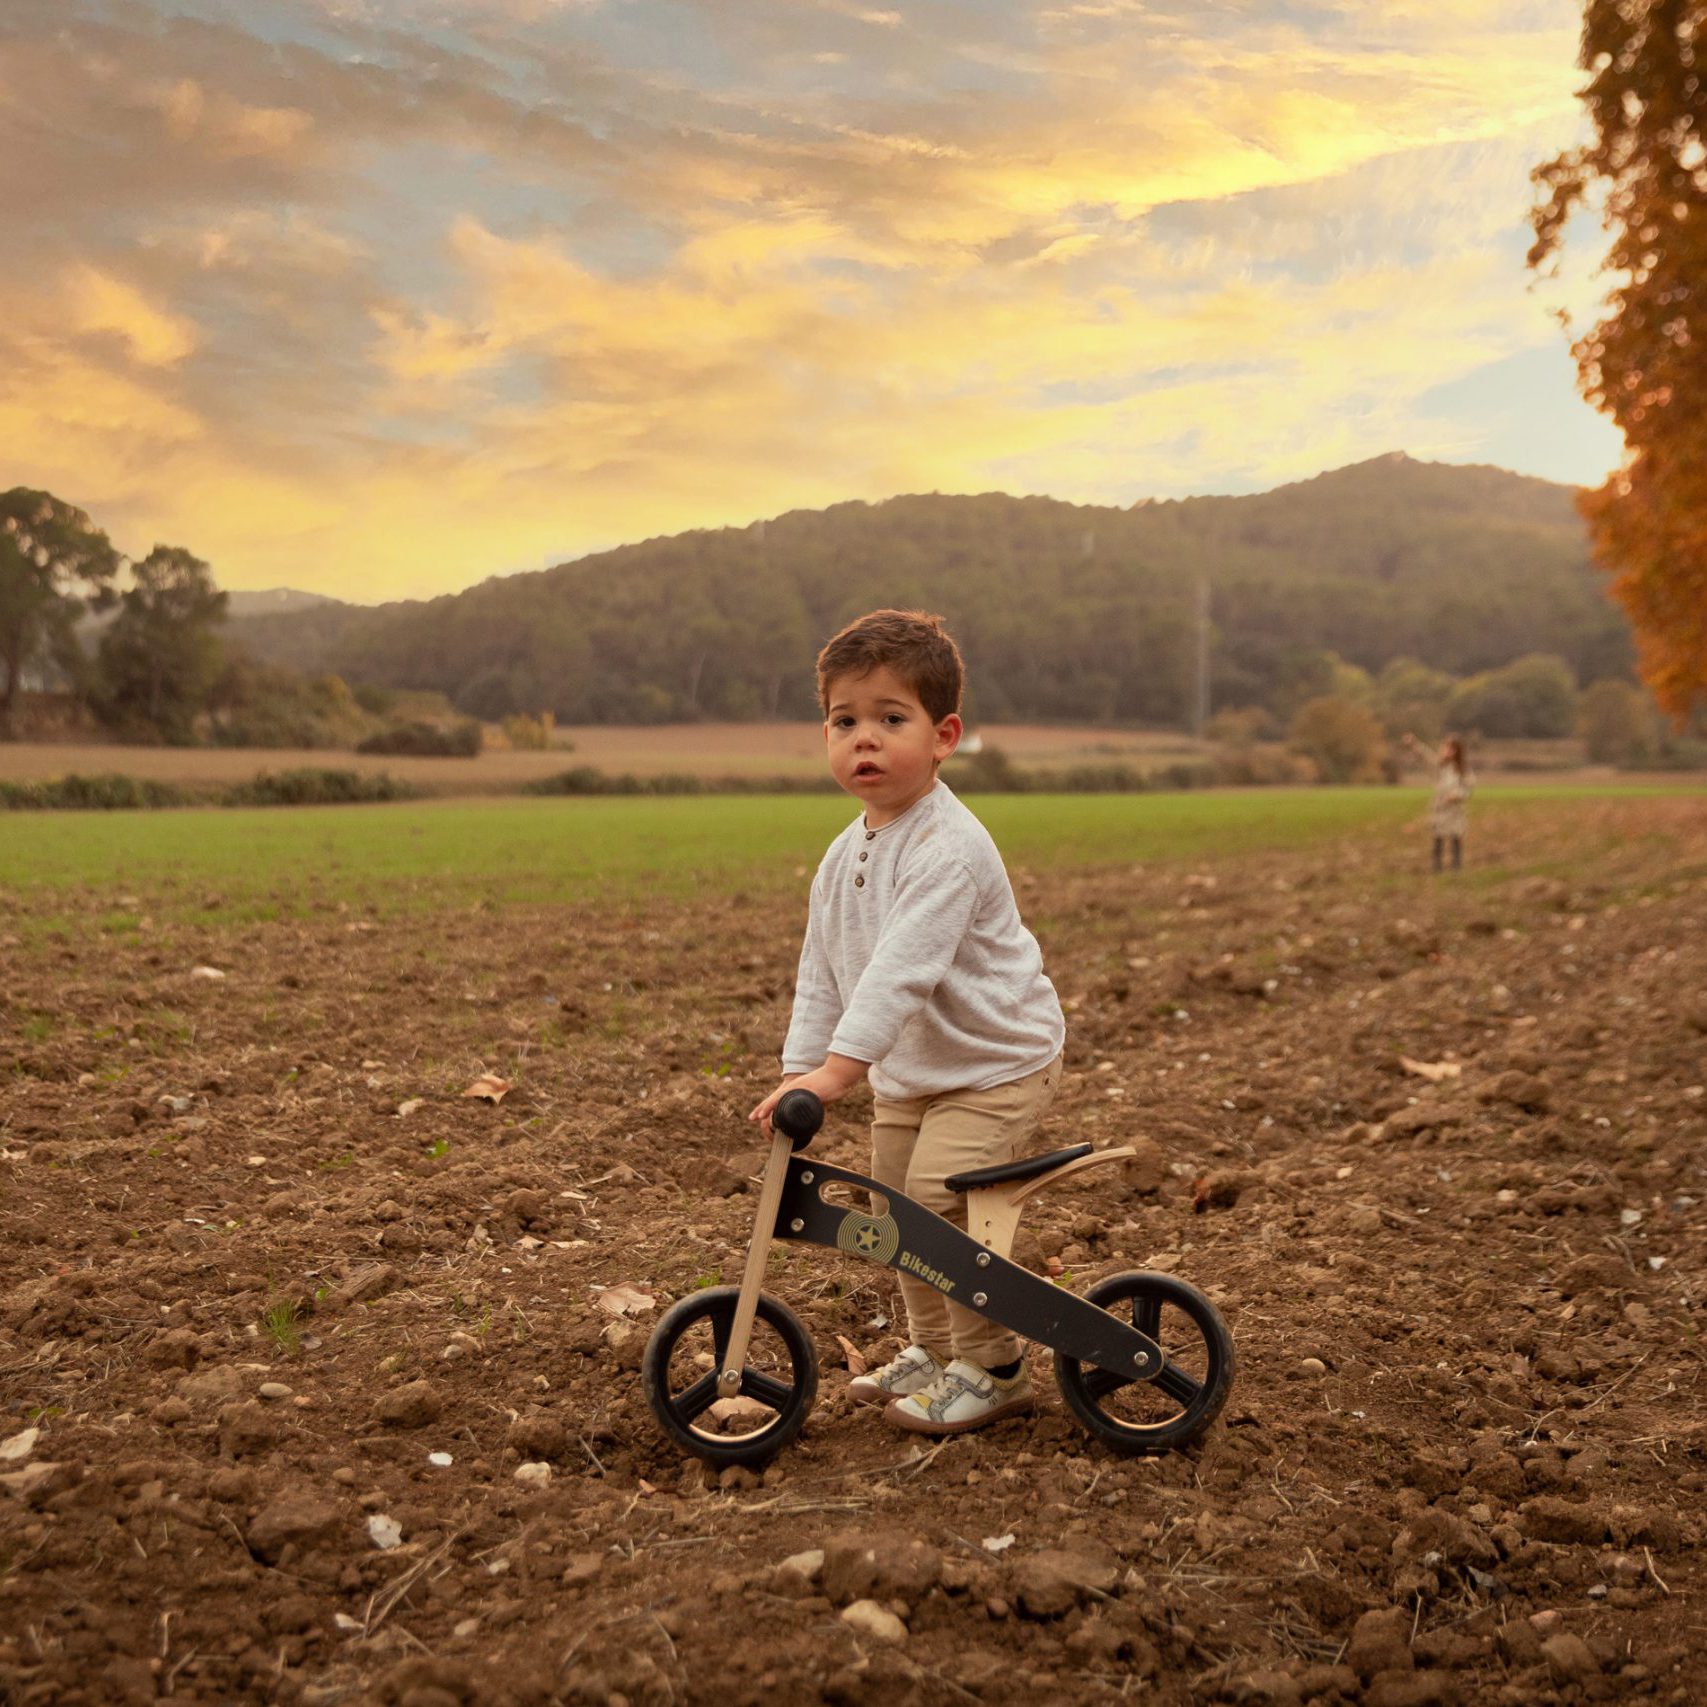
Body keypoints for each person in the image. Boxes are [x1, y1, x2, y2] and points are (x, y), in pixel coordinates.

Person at [749, 609, 1066, 1437]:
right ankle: (931, 1350)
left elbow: (897, 976)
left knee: (935, 1200)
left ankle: (993, 1367)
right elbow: (822, 969)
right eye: (844, 720)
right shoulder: (840, 853)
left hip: (996, 1063)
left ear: (943, 735)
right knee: (892, 1208)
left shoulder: (946, 847)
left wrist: (838, 1074)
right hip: (914, 1072)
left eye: (891, 719)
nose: (865, 739)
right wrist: (798, 1070)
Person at [1403, 732, 1472, 871]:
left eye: (1450, 749)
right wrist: (1414, 744)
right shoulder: (1439, 766)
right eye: (1445, 747)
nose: (1446, 751)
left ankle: (1456, 867)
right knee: (1438, 839)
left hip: (1454, 810)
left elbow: (1467, 789)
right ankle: (1437, 867)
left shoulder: (1462, 770)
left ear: (1457, 751)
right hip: (1440, 809)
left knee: (1456, 838)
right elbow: (1425, 756)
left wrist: (1456, 795)